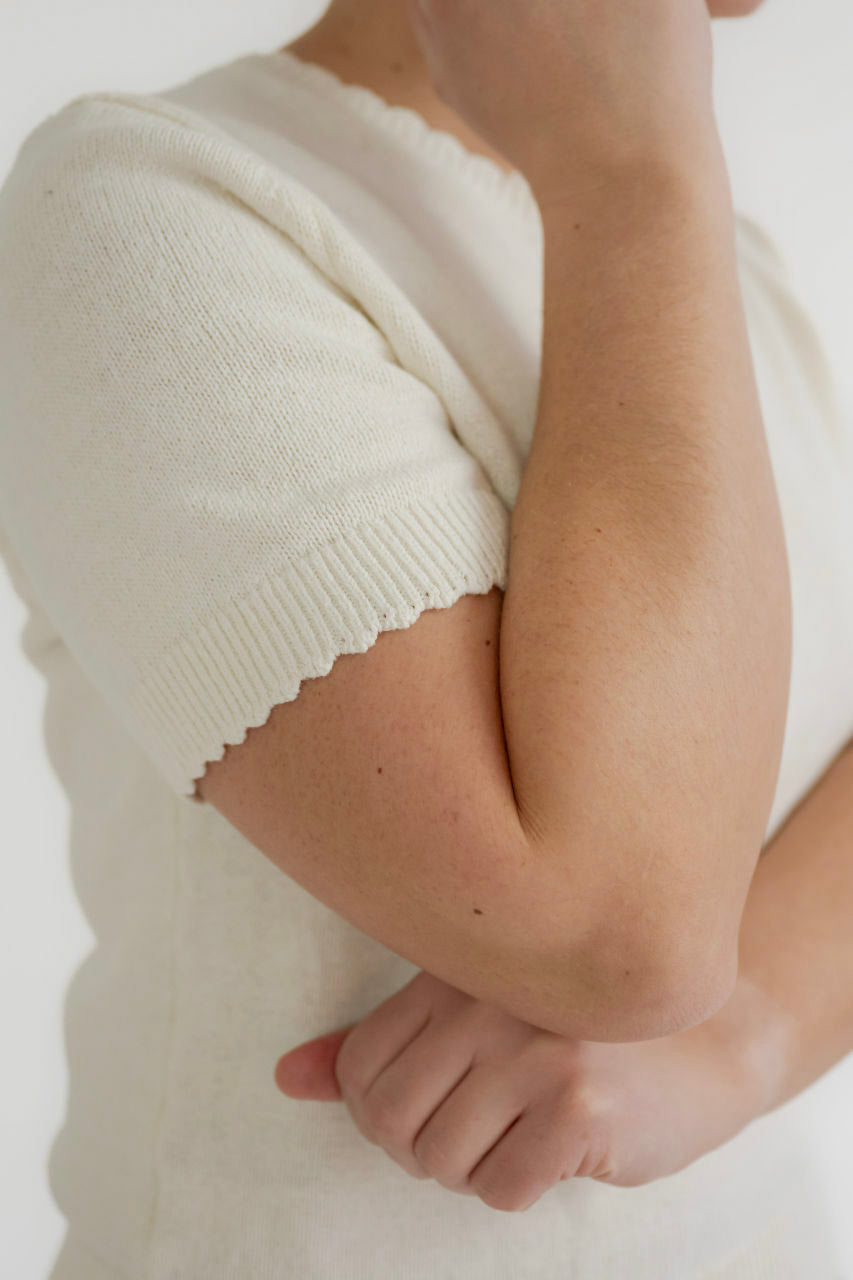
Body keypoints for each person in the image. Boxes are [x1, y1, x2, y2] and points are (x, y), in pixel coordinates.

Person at [1, 1, 852, 1276]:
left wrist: (744, 1039)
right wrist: (625, 175)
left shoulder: (720, 261)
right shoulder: (145, 206)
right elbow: (614, 931)